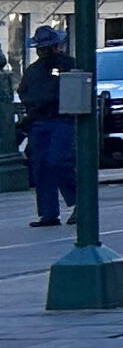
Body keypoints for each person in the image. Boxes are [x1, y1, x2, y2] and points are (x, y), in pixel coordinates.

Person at [18, 25, 74, 229]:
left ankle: (77, 203)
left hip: (62, 119)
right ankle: (48, 213)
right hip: (39, 121)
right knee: (41, 166)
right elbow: (24, 91)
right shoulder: (34, 70)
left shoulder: (69, 64)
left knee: (59, 161)